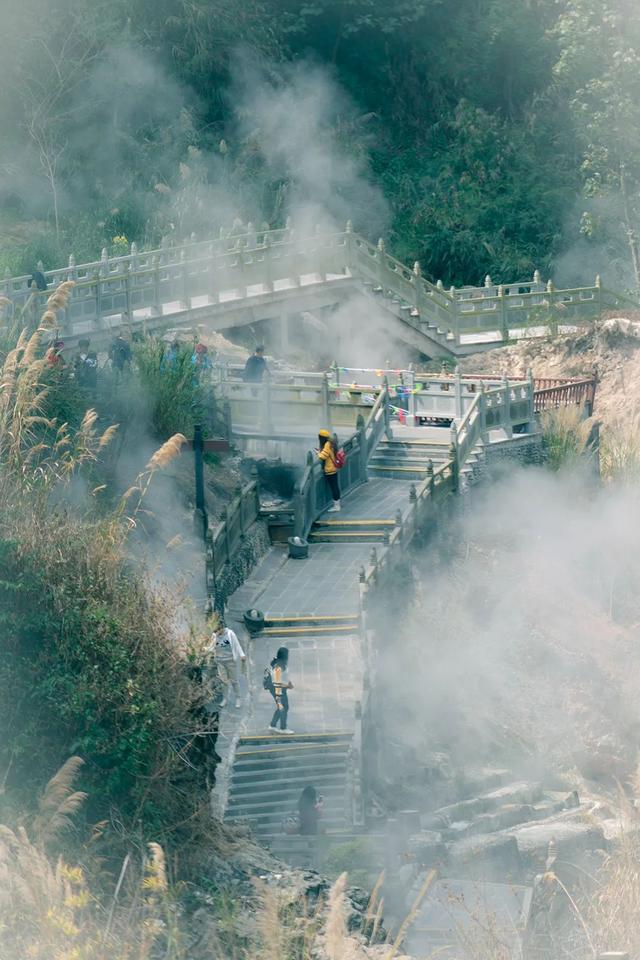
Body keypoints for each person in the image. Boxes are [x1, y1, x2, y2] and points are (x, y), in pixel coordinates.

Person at [208, 620, 246, 709]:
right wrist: (205, 649)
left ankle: (238, 698)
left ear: (221, 628)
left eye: (218, 631)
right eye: (215, 631)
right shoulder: (215, 635)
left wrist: (242, 655)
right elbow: (211, 647)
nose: (216, 633)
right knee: (224, 681)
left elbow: (237, 645)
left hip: (230, 661)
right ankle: (225, 699)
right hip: (220, 662)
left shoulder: (230, 634)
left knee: (234, 681)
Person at [269, 646, 294, 734]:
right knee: (283, 707)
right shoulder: (277, 668)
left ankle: (273, 725)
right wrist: (287, 686)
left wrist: (289, 683)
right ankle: (282, 728)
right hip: (277, 689)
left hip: (282, 688)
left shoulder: (283, 664)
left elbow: (286, 675)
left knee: (282, 707)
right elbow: (276, 684)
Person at [317, 428, 341, 513]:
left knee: (334, 487)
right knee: (335, 486)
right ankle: (337, 504)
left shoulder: (327, 444)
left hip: (330, 469)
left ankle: (336, 506)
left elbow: (323, 456)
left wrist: (318, 453)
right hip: (333, 468)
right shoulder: (331, 442)